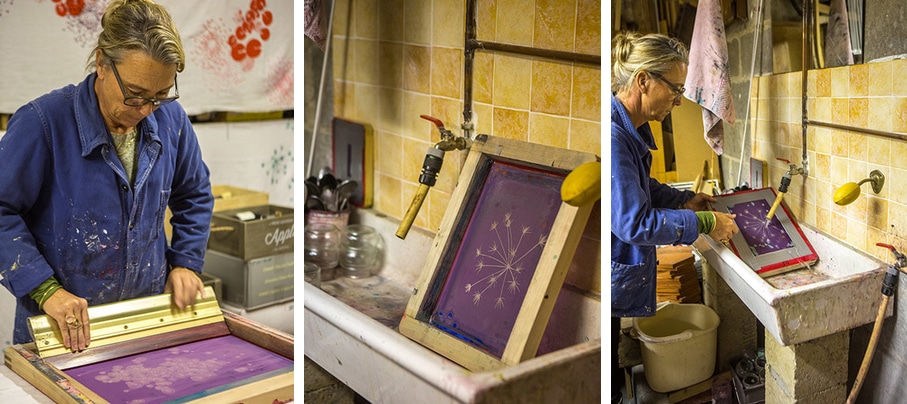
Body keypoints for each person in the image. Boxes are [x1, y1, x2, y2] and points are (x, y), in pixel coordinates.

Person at [0, 0, 213, 353]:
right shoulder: (44, 123)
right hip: (60, 331)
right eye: (135, 95)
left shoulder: (172, 120)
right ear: (101, 63)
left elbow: (194, 195)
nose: (146, 110)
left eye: (160, 95)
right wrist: (45, 290)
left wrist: (186, 263)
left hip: (143, 321)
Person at [610, 32, 739, 402]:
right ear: (643, 80)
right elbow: (634, 223)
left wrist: (685, 200)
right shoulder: (616, 136)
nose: (679, 101)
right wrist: (705, 223)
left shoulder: (627, 128)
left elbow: (642, 188)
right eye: (676, 88)